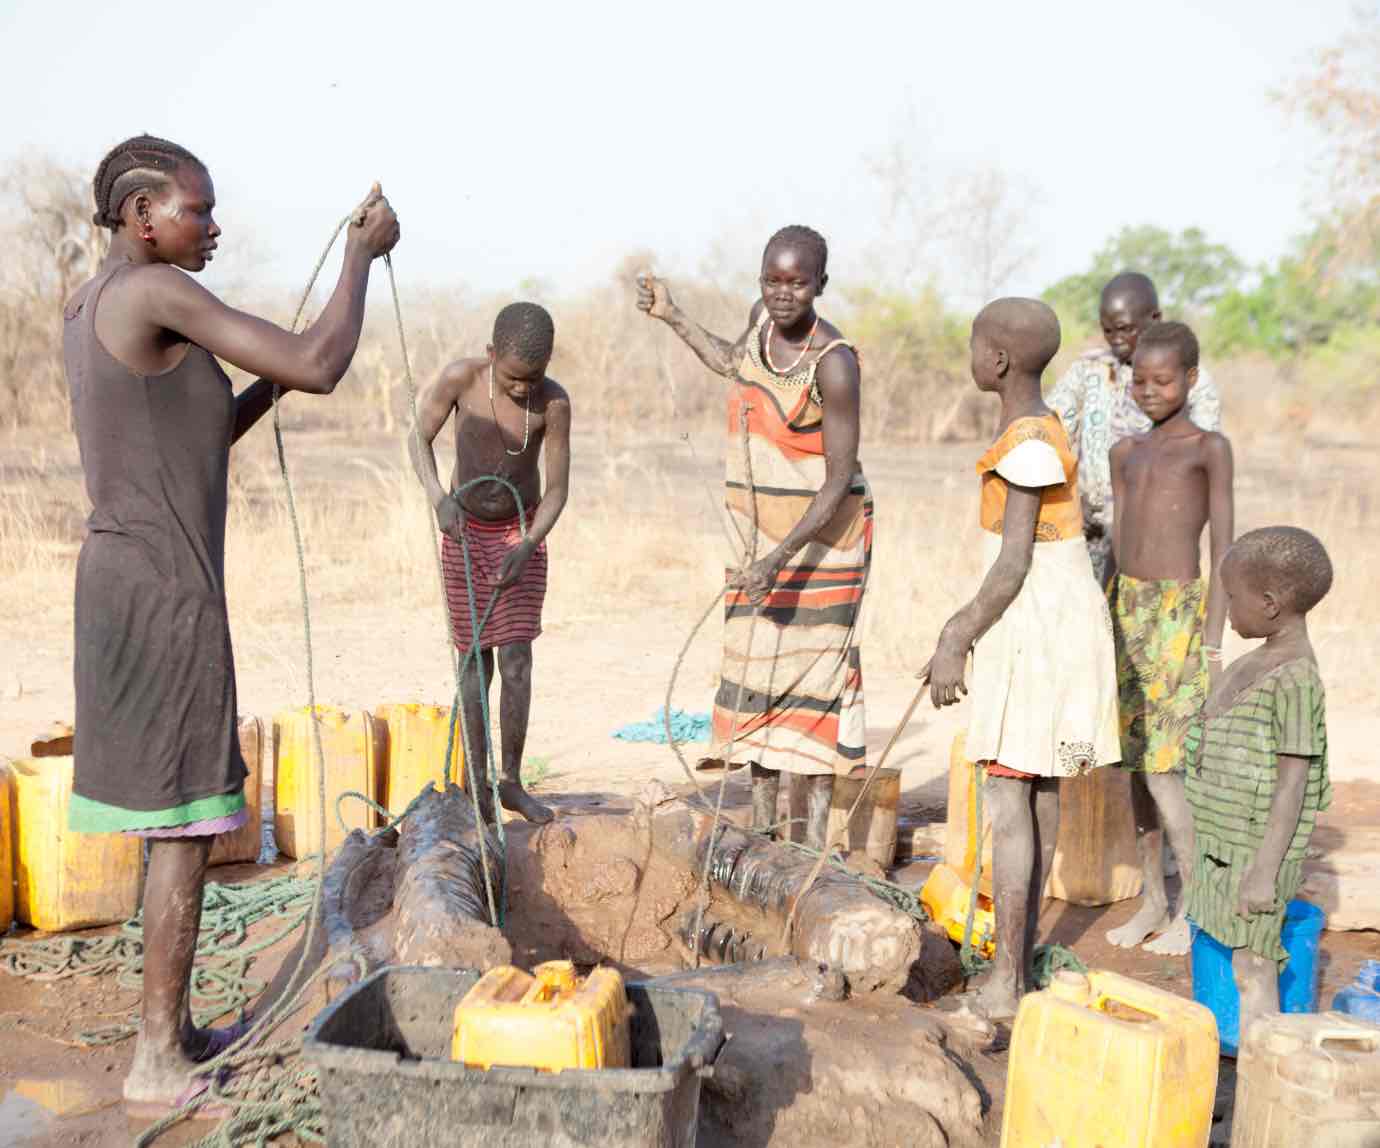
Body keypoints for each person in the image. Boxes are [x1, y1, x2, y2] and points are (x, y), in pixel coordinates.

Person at [64, 135, 399, 1115]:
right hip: (164, 587)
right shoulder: (155, 291)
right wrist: (358, 257)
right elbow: (322, 362)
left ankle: (169, 1032)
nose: (213, 226)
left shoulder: (94, 302)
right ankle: (156, 1061)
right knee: (182, 819)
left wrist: (268, 383)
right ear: (142, 218)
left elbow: (199, 427)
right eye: (197, 210)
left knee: (171, 812)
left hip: (124, 578)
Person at [636, 226, 869, 851]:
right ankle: (766, 835)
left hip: (822, 545)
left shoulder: (835, 364)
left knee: (811, 684)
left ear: (821, 283)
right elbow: (728, 360)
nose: (783, 294)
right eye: (773, 280)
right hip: (757, 543)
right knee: (755, 677)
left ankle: (811, 847)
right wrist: (673, 316)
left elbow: (839, 478)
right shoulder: (760, 327)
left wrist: (777, 559)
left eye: (797, 282)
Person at [922, 298, 1120, 1020]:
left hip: (1037, 626)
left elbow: (1011, 566)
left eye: (975, 345)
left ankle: (1007, 982)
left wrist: (956, 634)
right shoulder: (1034, 429)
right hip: (1042, 621)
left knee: (1012, 801)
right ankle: (1019, 969)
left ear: (996, 359)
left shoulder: (1029, 444)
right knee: (1035, 795)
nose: (971, 356)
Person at [410, 303, 571, 826]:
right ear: (489, 355)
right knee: (473, 660)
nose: (524, 389)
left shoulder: (555, 402)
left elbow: (558, 490)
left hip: (519, 534)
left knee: (517, 661)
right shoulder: (463, 379)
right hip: (464, 530)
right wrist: (439, 498)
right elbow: (418, 438)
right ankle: (478, 786)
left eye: (535, 378)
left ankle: (511, 783)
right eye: (512, 378)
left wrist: (528, 544)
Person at [1106, 321, 1234, 956]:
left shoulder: (1208, 449)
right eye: (1138, 380)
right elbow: (1116, 544)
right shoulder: (1125, 452)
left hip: (1179, 615)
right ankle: (1152, 900)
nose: (1148, 391)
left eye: (1162, 380)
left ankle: (1194, 907)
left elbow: (1224, 546)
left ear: (1190, 378)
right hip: (1125, 610)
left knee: (1165, 771)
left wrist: (1212, 640)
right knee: (1132, 769)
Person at [1184, 526, 1332, 1040]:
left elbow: (1293, 785)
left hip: (1258, 854)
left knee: (1253, 968)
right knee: (1236, 955)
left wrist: (1265, 872)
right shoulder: (1256, 660)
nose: (1225, 606)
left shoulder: (1295, 678)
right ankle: (1249, 1076)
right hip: (1227, 844)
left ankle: (1261, 1087)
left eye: (1231, 597)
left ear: (1268, 603)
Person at [1047, 272, 1222, 586]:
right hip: (1089, 536)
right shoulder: (1091, 370)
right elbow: (1051, 425)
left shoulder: (1191, 380)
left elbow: (1200, 463)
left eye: (1126, 329)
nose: (1116, 339)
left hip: (1153, 546)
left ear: (1155, 318)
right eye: (1108, 330)